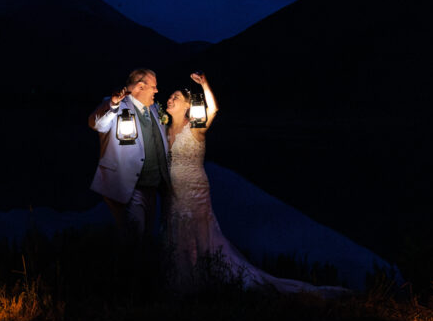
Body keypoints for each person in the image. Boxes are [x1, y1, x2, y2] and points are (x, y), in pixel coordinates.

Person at [164, 72, 349, 297]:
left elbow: (213, 109)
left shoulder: (195, 128)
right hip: (173, 192)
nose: (170, 99)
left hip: (194, 190)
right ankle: (181, 281)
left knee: (200, 234)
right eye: (170, 96)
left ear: (186, 106)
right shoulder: (165, 131)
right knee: (177, 232)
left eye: (176, 97)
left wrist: (204, 85)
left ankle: (207, 277)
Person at [89, 68, 170, 239]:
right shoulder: (116, 105)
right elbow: (97, 124)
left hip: (153, 187)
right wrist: (113, 105)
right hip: (129, 186)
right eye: (153, 87)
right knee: (133, 236)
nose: (157, 90)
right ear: (140, 86)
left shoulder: (155, 108)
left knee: (148, 234)